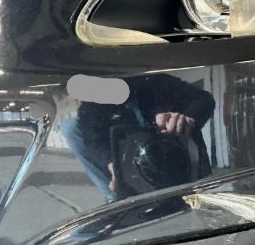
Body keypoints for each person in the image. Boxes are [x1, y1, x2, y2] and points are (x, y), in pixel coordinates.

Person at [62, 74, 215, 201]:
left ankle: (200, 185)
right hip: (131, 165)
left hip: (179, 162)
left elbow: (203, 99)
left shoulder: (156, 82)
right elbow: (93, 138)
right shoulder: (93, 102)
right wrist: (113, 165)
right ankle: (114, 196)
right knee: (70, 127)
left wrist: (186, 119)